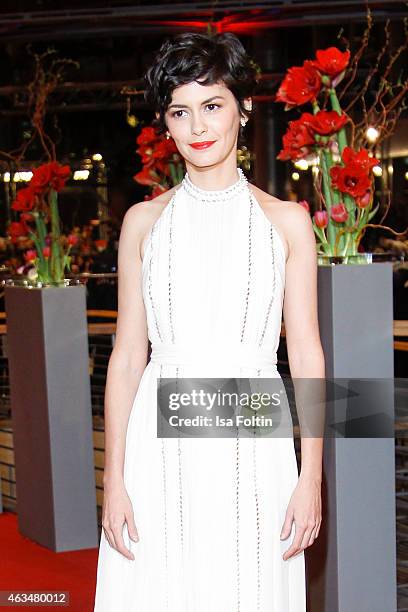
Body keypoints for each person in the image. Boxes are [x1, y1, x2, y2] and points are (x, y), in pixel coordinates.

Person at [93, 31, 324, 611]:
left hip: (255, 438)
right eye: (180, 111)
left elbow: (307, 355)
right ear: (165, 124)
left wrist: (311, 475)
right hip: (157, 444)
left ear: (244, 109)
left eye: (213, 106)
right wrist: (114, 478)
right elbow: (126, 357)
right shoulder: (143, 223)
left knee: (247, 589)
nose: (198, 127)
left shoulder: (288, 222)